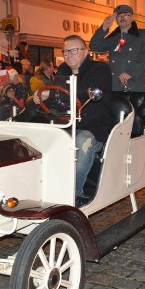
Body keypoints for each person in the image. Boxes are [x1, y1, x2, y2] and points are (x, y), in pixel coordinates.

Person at [34, 35, 115, 205]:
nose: (69, 54)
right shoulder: (63, 70)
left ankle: (72, 197)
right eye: (65, 51)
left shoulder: (100, 69)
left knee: (82, 141)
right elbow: (58, 96)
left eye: (73, 50)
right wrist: (41, 96)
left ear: (85, 52)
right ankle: (42, 190)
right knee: (43, 139)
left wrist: (53, 93)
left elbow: (86, 91)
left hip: (94, 128)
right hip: (67, 125)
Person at [90, 4, 145, 92]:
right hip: (115, 86)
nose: (122, 17)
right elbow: (94, 46)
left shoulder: (142, 35)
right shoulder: (113, 37)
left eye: (126, 15)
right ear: (116, 20)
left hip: (134, 85)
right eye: (119, 16)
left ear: (132, 18)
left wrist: (131, 73)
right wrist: (104, 27)